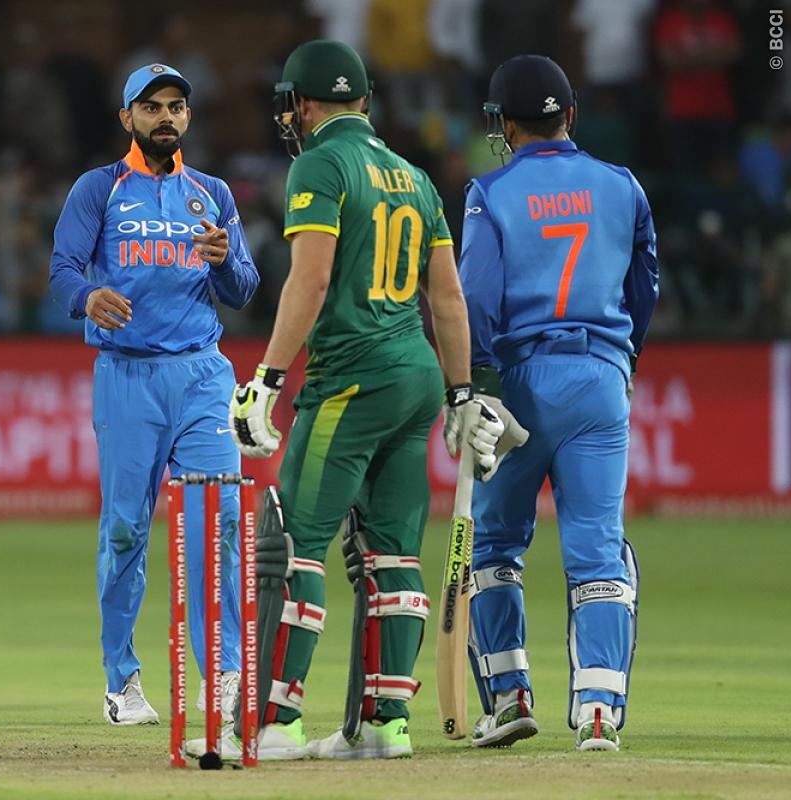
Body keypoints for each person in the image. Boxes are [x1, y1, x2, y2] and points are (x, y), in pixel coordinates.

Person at [212, 40, 511, 761]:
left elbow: (310, 280)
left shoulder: (319, 164)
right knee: (392, 554)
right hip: (416, 378)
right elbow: (447, 298)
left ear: (303, 104)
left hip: (350, 378)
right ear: (365, 101)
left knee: (294, 544)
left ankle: (275, 724)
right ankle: (384, 725)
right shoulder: (414, 176)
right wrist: (462, 392)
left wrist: (268, 379)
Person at [49, 64, 259, 726]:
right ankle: (122, 680)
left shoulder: (212, 193)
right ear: (127, 118)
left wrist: (225, 261)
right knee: (124, 531)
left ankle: (223, 674)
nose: (165, 116)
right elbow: (61, 270)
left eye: (175, 107)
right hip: (128, 377)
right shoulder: (99, 188)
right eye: (151, 106)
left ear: (187, 118)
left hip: (202, 375)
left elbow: (245, 288)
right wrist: (88, 296)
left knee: (217, 525)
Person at [458, 55, 658, 752]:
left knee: (493, 546)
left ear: (504, 126)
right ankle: (599, 709)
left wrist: (477, 385)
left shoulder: (489, 192)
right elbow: (645, 286)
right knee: (597, 547)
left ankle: (509, 698)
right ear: (570, 114)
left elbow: (475, 295)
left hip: (516, 385)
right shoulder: (623, 185)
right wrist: (622, 359)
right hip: (599, 379)